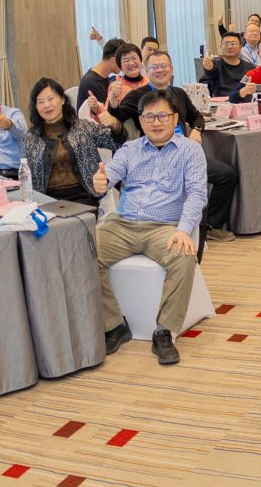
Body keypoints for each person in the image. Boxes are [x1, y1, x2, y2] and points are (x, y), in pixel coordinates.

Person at [92, 89, 209, 365]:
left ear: (175, 118)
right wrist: (101, 182)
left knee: (183, 256)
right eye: (149, 117)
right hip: (123, 224)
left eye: (162, 116)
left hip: (164, 227)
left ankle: (164, 331)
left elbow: (197, 195)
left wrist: (183, 230)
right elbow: (109, 176)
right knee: (83, 250)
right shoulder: (130, 149)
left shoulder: (190, 151)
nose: (156, 122)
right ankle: (114, 325)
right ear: (141, 120)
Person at [105, 52, 238, 243]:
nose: (160, 70)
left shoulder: (178, 93)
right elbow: (118, 118)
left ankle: (210, 226)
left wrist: (197, 130)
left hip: (185, 153)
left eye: (163, 66)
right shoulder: (138, 96)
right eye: (154, 67)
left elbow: (196, 116)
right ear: (147, 71)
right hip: (157, 155)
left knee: (227, 175)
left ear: (171, 69)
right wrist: (112, 101)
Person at [22, 78, 115, 206]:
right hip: (47, 202)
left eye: (50, 99)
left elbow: (115, 142)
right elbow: (29, 176)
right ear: (36, 107)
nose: (47, 105)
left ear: (62, 99)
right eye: (40, 102)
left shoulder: (83, 127)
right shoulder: (32, 137)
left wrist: (114, 123)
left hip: (83, 199)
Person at [201, 33, 255, 99]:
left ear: (240, 47)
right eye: (226, 44)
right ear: (221, 46)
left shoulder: (250, 67)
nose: (230, 47)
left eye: (234, 43)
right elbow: (204, 84)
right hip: (221, 103)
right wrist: (209, 70)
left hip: (245, 103)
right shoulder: (214, 65)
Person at [78, 37, 122, 111]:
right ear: (114, 59)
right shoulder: (91, 81)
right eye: (123, 60)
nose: (124, 66)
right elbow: (106, 112)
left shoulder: (103, 76)